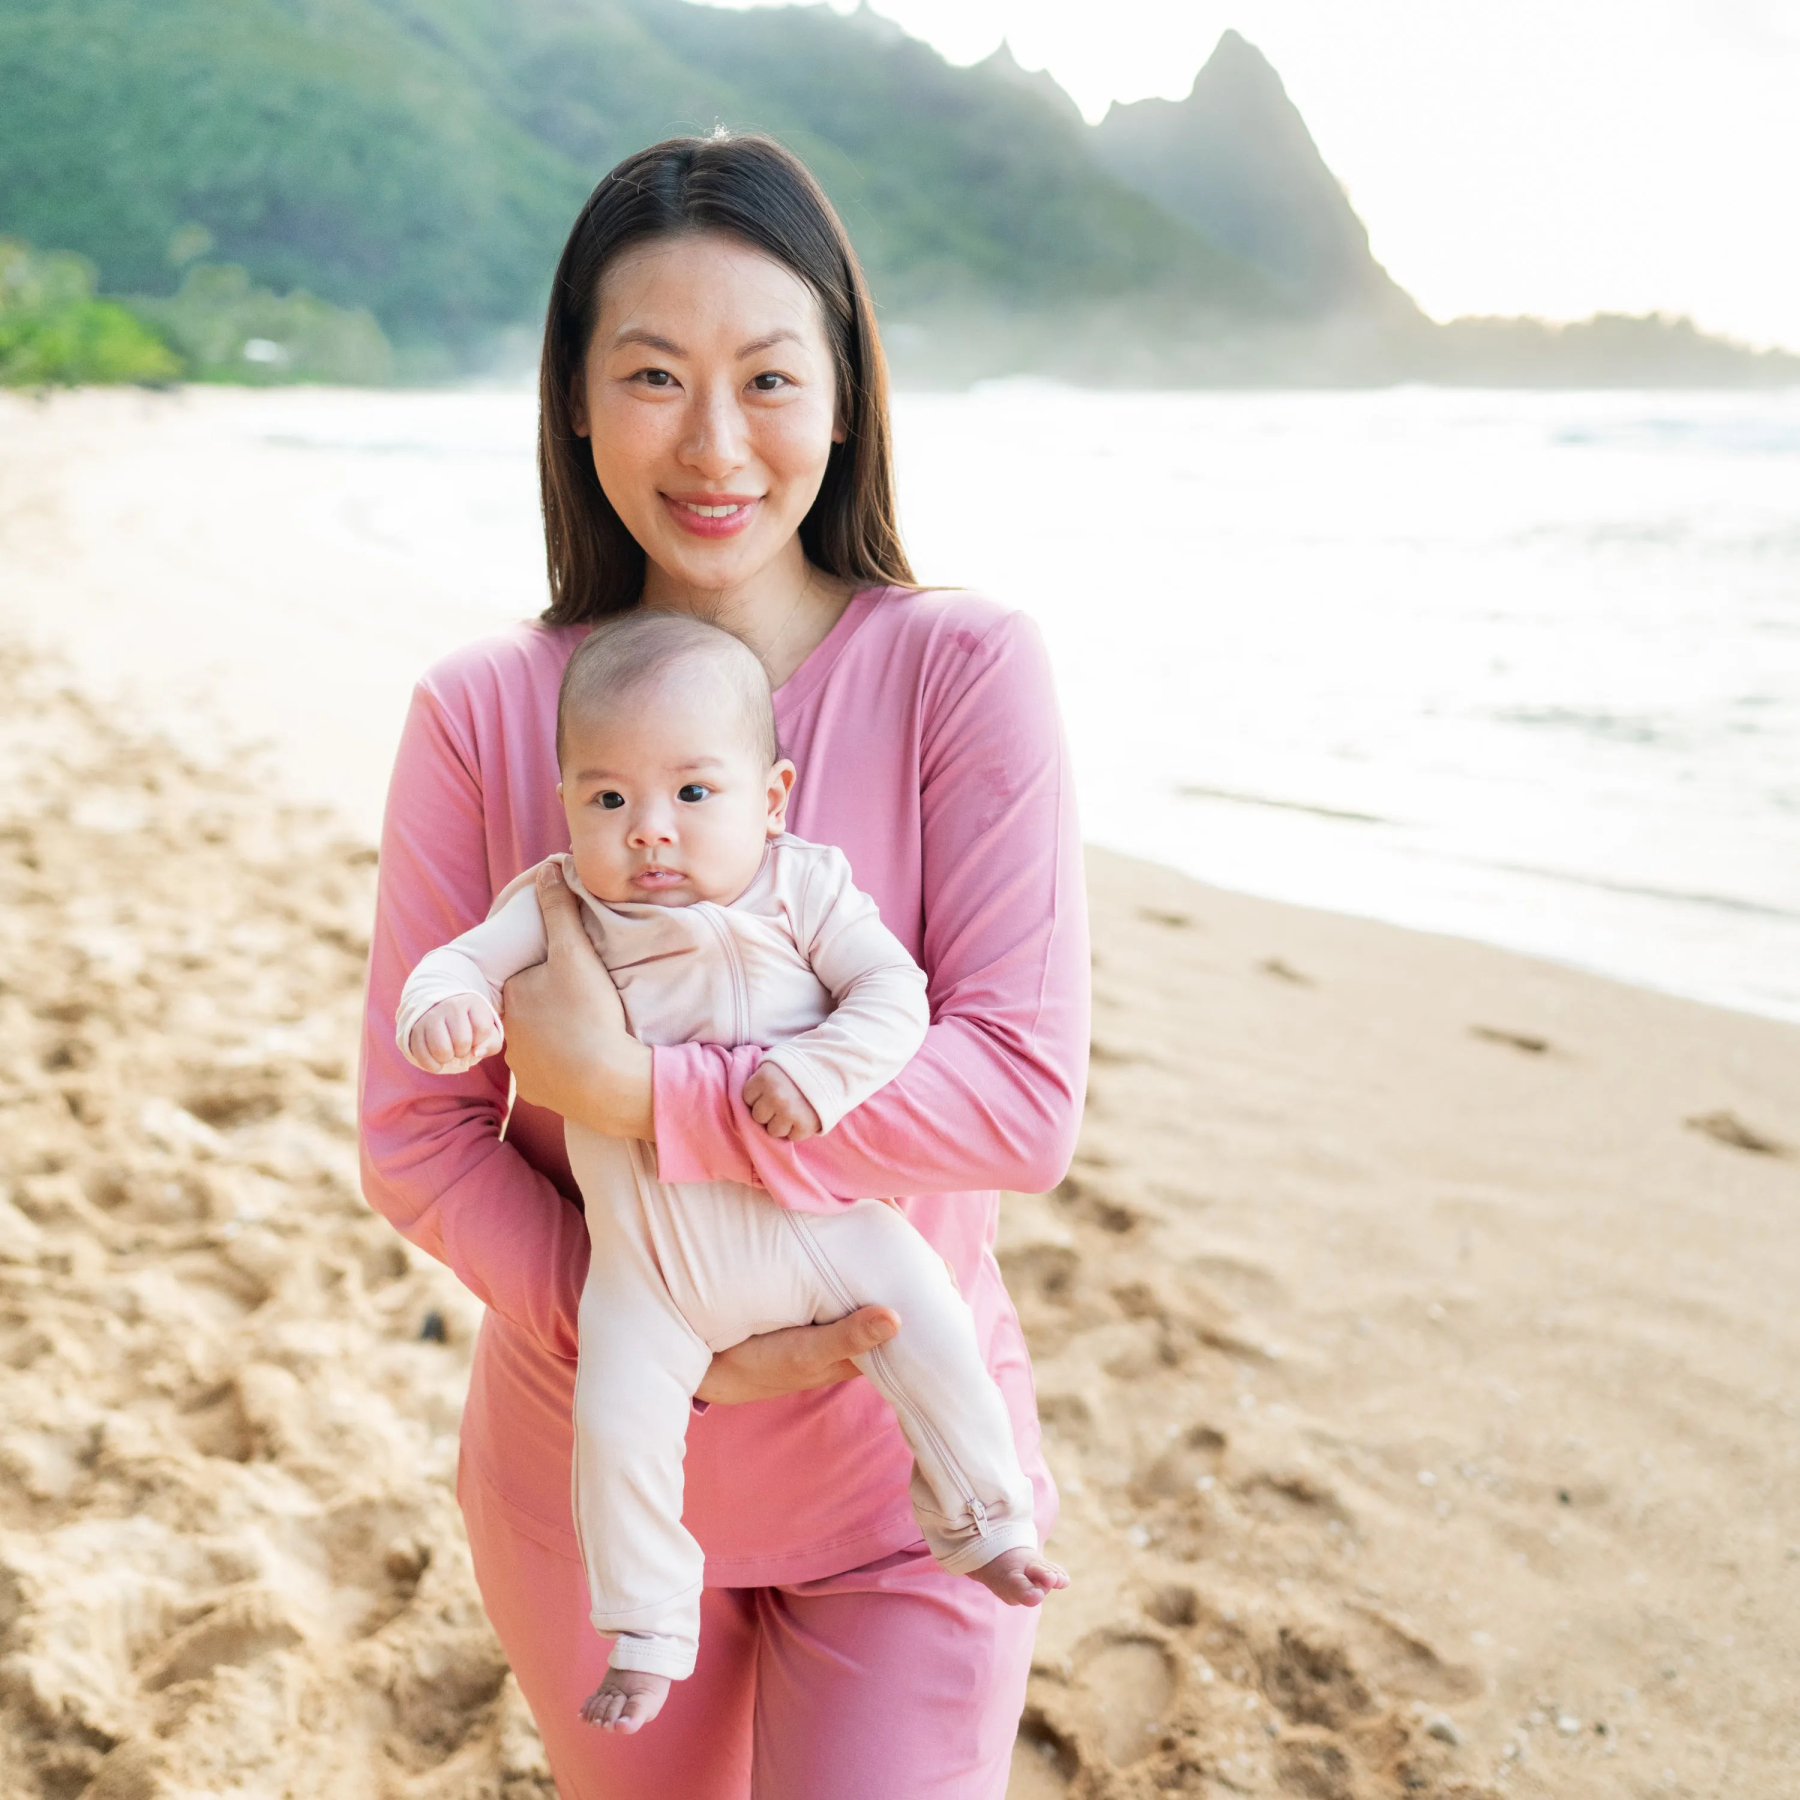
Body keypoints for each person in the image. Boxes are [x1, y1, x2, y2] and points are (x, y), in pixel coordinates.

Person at [358, 130, 1088, 1799]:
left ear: (843, 393)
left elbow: (1019, 1103)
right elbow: (416, 1131)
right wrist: (656, 1338)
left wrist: (645, 1096)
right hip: (594, 1474)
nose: (712, 445)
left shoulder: (962, 670)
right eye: (651, 376)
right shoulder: (481, 710)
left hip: (903, 1489)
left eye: (766, 377)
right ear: (571, 397)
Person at [396, 611, 1065, 1734]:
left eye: (693, 796)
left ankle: (984, 1511)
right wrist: (448, 1010)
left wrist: (822, 1075)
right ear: (568, 805)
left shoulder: (806, 889)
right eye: (608, 800)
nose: (649, 832)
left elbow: (892, 999)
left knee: (932, 1326)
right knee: (615, 1427)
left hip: (814, 1219)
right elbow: (449, 967)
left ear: (771, 797)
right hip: (647, 1269)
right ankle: (648, 1628)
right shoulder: (560, 903)